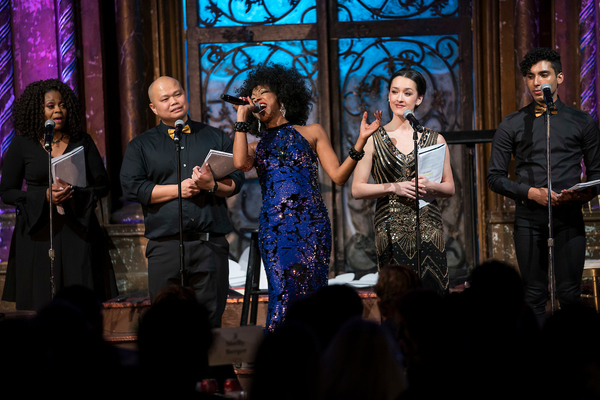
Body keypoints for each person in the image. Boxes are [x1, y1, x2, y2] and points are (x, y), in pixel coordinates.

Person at [231, 63, 376, 333]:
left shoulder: (312, 132)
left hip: (313, 227)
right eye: (253, 96)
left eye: (263, 93)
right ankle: (279, 359)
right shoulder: (256, 145)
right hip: (275, 230)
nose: (257, 99)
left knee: (312, 294)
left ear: (282, 100)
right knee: (283, 293)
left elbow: (339, 176)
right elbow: (240, 163)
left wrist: (360, 143)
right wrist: (241, 115)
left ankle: (317, 355)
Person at [120, 76, 244, 328]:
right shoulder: (141, 145)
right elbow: (132, 187)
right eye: (165, 99)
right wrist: (177, 190)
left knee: (210, 323)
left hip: (208, 244)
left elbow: (236, 182)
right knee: (165, 326)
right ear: (154, 108)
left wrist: (212, 187)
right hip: (164, 246)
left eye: (177, 94)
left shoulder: (214, 136)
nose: (173, 101)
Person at [487, 47, 600, 324]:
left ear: (559, 77)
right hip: (528, 218)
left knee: (570, 294)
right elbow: (495, 177)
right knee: (534, 294)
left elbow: (597, 173)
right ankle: (538, 360)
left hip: (569, 217)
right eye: (530, 76)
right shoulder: (513, 123)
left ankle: (575, 361)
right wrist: (530, 193)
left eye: (544, 74)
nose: (537, 82)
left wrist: (578, 195)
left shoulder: (582, 121)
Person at [0, 78, 118, 311]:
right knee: (42, 300)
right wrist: (42, 196)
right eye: (50, 105)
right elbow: (6, 192)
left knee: (81, 299)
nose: (58, 110)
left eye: (62, 105)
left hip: (77, 226)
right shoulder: (23, 144)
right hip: (37, 229)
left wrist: (75, 192)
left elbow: (102, 184)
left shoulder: (81, 141)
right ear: (38, 109)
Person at [352, 68, 455, 296]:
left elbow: (449, 187)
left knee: (432, 295)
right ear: (388, 96)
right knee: (397, 294)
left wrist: (430, 186)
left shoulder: (434, 138)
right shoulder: (373, 138)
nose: (399, 98)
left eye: (407, 93)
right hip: (390, 225)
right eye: (394, 92)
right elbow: (357, 189)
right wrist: (394, 187)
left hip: (428, 226)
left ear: (419, 99)